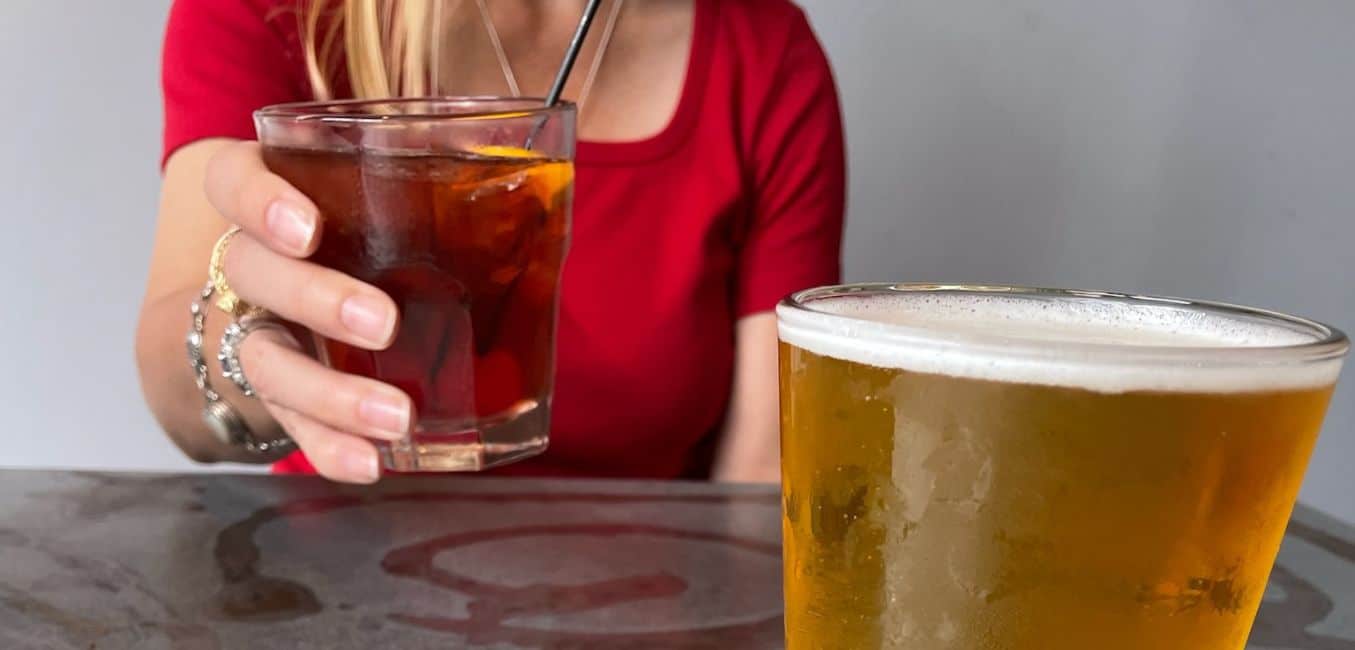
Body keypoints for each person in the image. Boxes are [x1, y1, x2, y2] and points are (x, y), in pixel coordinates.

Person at [136, 0, 845, 484]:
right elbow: (175, 389)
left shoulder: (764, 53)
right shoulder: (279, 11)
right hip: (332, 593)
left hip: (641, 610)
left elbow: (761, 476)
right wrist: (254, 357)